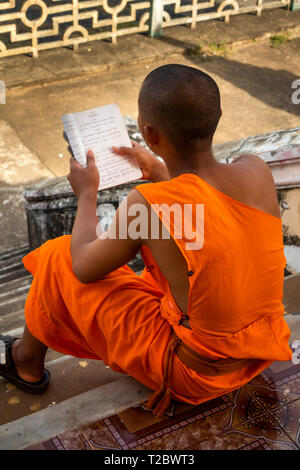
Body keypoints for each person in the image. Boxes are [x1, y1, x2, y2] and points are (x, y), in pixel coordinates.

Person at [0, 64, 291, 417]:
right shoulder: (256, 170)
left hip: (196, 373)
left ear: (149, 133)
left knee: (59, 255)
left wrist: (87, 194)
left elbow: (83, 267)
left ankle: (24, 361)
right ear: (216, 119)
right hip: (259, 352)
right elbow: (206, 216)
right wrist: (161, 174)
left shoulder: (149, 205)